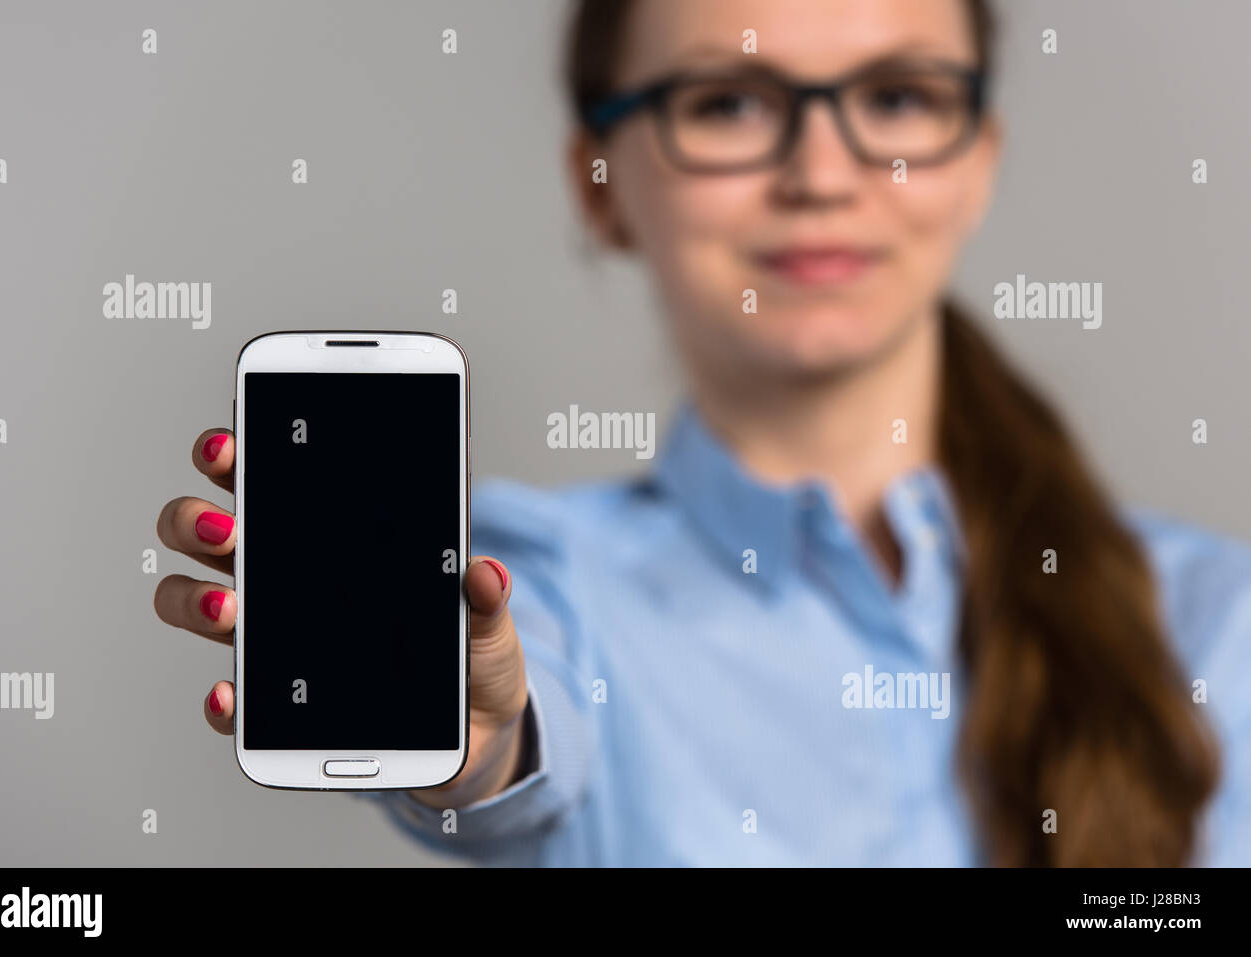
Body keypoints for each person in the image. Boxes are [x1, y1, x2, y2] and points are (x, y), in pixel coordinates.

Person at [153, 0, 1251, 865]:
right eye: (725, 104)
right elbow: (523, 727)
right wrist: (469, 737)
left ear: (978, 158)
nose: (822, 176)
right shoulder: (539, 581)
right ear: (599, 185)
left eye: (900, 97)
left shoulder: (1220, 627)